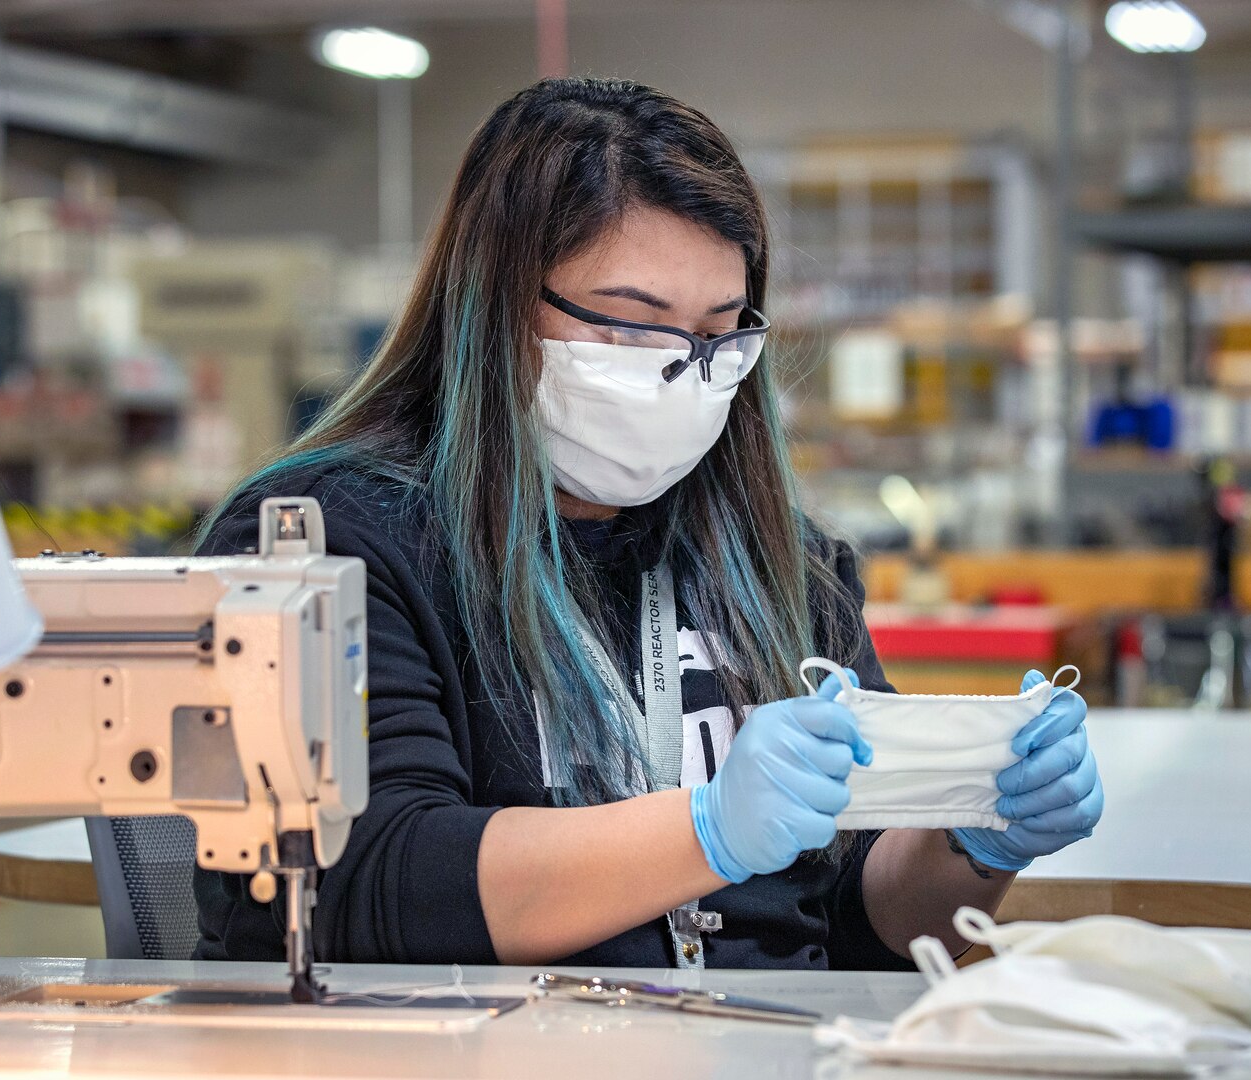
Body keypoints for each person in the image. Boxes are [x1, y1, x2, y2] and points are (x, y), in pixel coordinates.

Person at [193, 77, 1102, 970]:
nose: (682, 370)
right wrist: (707, 829)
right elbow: (355, 886)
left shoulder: (776, 560)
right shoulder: (328, 541)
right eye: (632, 329)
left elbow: (862, 925)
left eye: (716, 335)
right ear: (496, 305)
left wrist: (971, 842)